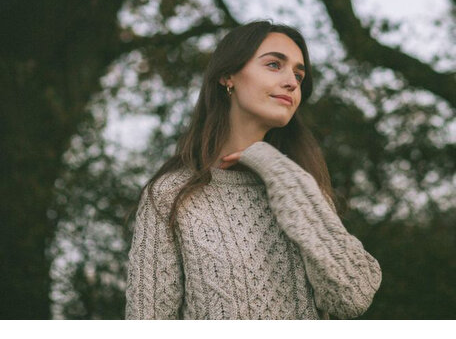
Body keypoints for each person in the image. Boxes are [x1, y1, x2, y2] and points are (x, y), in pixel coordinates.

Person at [125, 19, 382, 320]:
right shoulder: (171, 195)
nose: (291, 82)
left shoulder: (299, 189)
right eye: (274, 65)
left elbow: (353, 296)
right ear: (227, 76)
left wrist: (273, 165)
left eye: (299, 76)